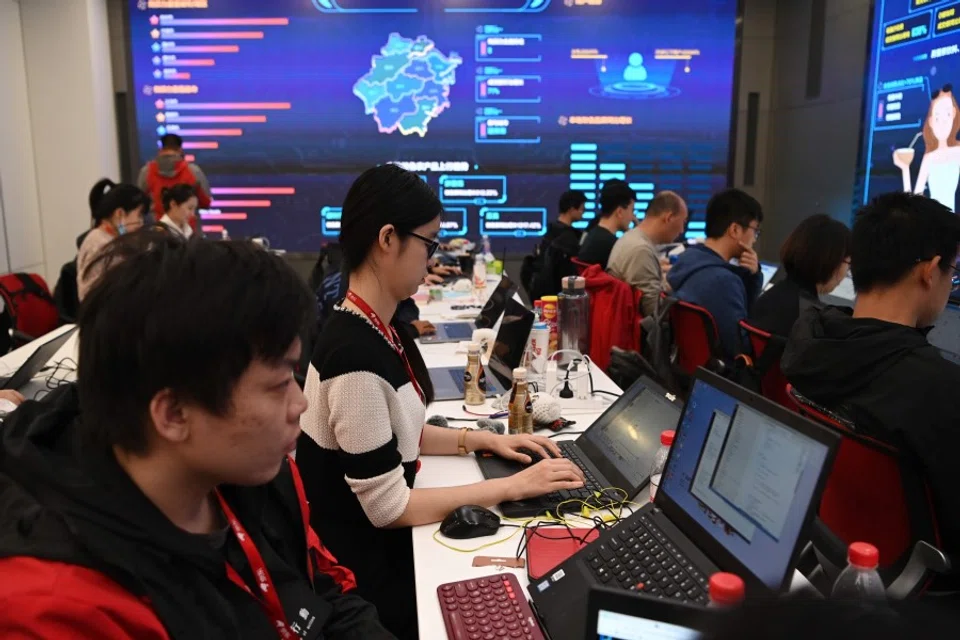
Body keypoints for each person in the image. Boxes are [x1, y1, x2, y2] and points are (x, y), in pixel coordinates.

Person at [0, 231, 393, 638]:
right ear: (173, 414)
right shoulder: (59, 609)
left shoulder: (254, 470)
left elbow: (326, 594)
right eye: (278, 385)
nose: (301, 405)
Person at [296, 164, 585, 639]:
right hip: (369, 579)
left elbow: (401, 430)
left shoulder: (373, 328)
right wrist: (510, 488)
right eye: (429, 243)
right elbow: (389, 507)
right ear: (388, 239)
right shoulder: (353, 355)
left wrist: (483, 441)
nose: (433, 259)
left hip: (385, 549)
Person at [782, 192, 960, 583]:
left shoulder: (808, 342)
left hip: (830, 546)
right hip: (920, 590)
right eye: (953, 273)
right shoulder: (938, 388)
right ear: (930, 271)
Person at [666, 188, 764, 359]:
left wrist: (752, 277)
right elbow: (741, 350)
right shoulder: (723, 281)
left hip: (686, 371)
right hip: (720, 378)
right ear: (734, 230)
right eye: (755, 230)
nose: (755, 239)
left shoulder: (687, 260)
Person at [748, 214, 851, 337]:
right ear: (833, 261)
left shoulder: (768, 297)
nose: (847, 272)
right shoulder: (814, 320)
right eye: (848, 263)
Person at [607, 191, 688, 317]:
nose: (682, 230)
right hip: (640, 332)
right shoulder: (641, 250)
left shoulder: (632, 238)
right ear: (669, 218)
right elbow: (655, 313)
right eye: (683, 221)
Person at [77, 179, 148, 302]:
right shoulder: (100, 245)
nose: (141, 223)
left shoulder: (111, 240)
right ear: (119, 214)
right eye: (139, 215)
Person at [894, 84, 960, 212]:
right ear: (931, 122)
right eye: (937, 117)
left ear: (953, 114)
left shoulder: (957, 152)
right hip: (932, 224)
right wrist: (905, 169)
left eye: (947, 114)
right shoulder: (929, 158)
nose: (942, 122)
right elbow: (914, 201)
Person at [524, 190, 587, 300]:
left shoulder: (550, 232)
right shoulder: (569, 238)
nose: (583, 212)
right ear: (572, 209)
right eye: (582, 208)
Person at [138, 133, 212, 220]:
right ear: (180, 149)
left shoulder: (146, 172)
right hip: (187, 229)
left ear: (161, 150)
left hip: (157, 229)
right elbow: (206, 202)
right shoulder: (193, 171)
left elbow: (139, 204)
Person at [578, 179, 636, 269]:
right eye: (632, 210)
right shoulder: (612, 245)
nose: (632, 217)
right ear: (620, 212)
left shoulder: (594, 234)